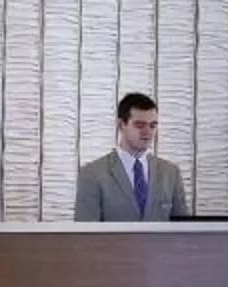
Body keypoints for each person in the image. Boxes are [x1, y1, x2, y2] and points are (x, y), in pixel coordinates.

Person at [77, 92, 187, 221]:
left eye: (153, 125)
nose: (148, 132)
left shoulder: (171, 173)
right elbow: (85, 235)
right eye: (139, 125)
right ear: (121, 125)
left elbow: (183, 232)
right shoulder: (92, 174)